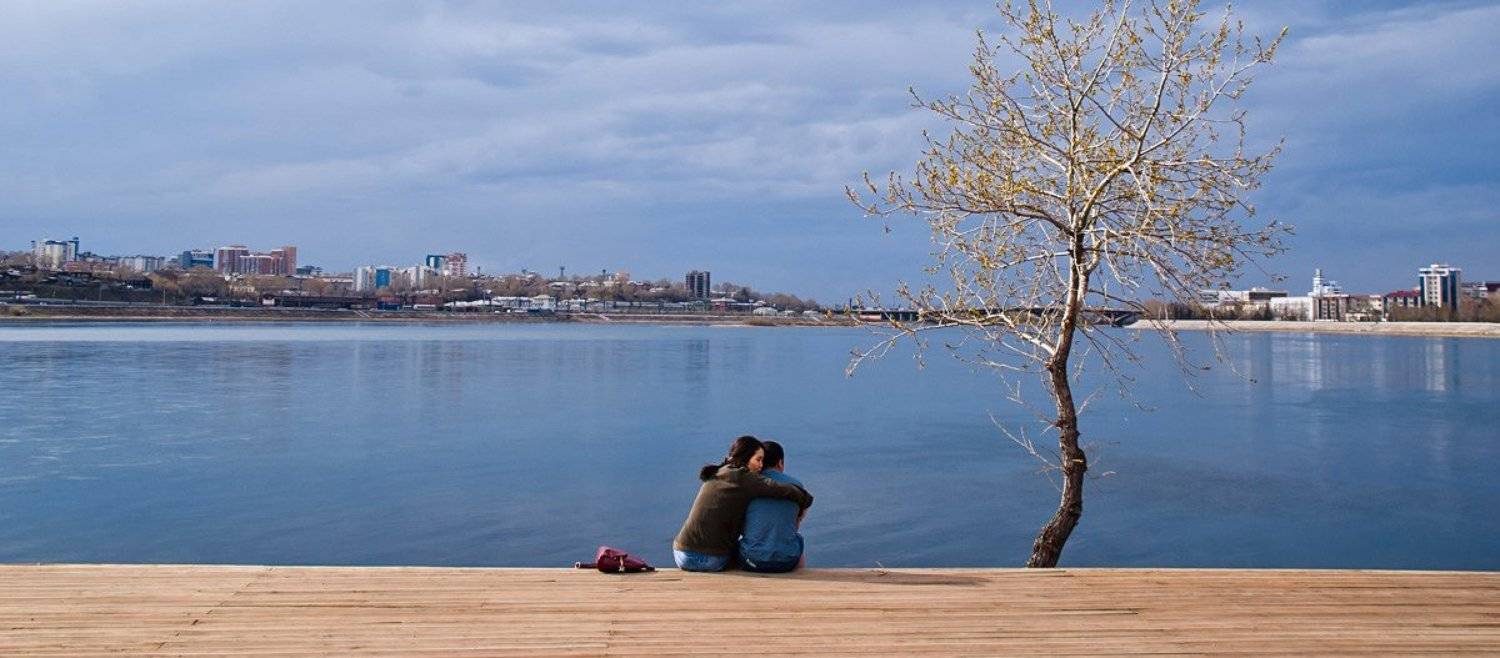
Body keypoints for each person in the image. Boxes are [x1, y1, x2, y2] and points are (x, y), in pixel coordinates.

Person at [673, 436, 813, 572]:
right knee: (758, 549)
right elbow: (777, 488)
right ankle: (799, 577)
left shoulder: (721, 472)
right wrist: (806, 498)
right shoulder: (744, 478)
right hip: (710, 559)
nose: (761, 465)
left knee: (747, 546)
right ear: (746, 457)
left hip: (681, 553)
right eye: (758, 459)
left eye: (762, 460)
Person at [737, 440, 806, 573]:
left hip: (752, 562)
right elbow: (795, 524)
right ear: (780, 463)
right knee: (797, 539)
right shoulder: (797, 486)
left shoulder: (748, 484)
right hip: (786, 563)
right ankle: (800, 576)